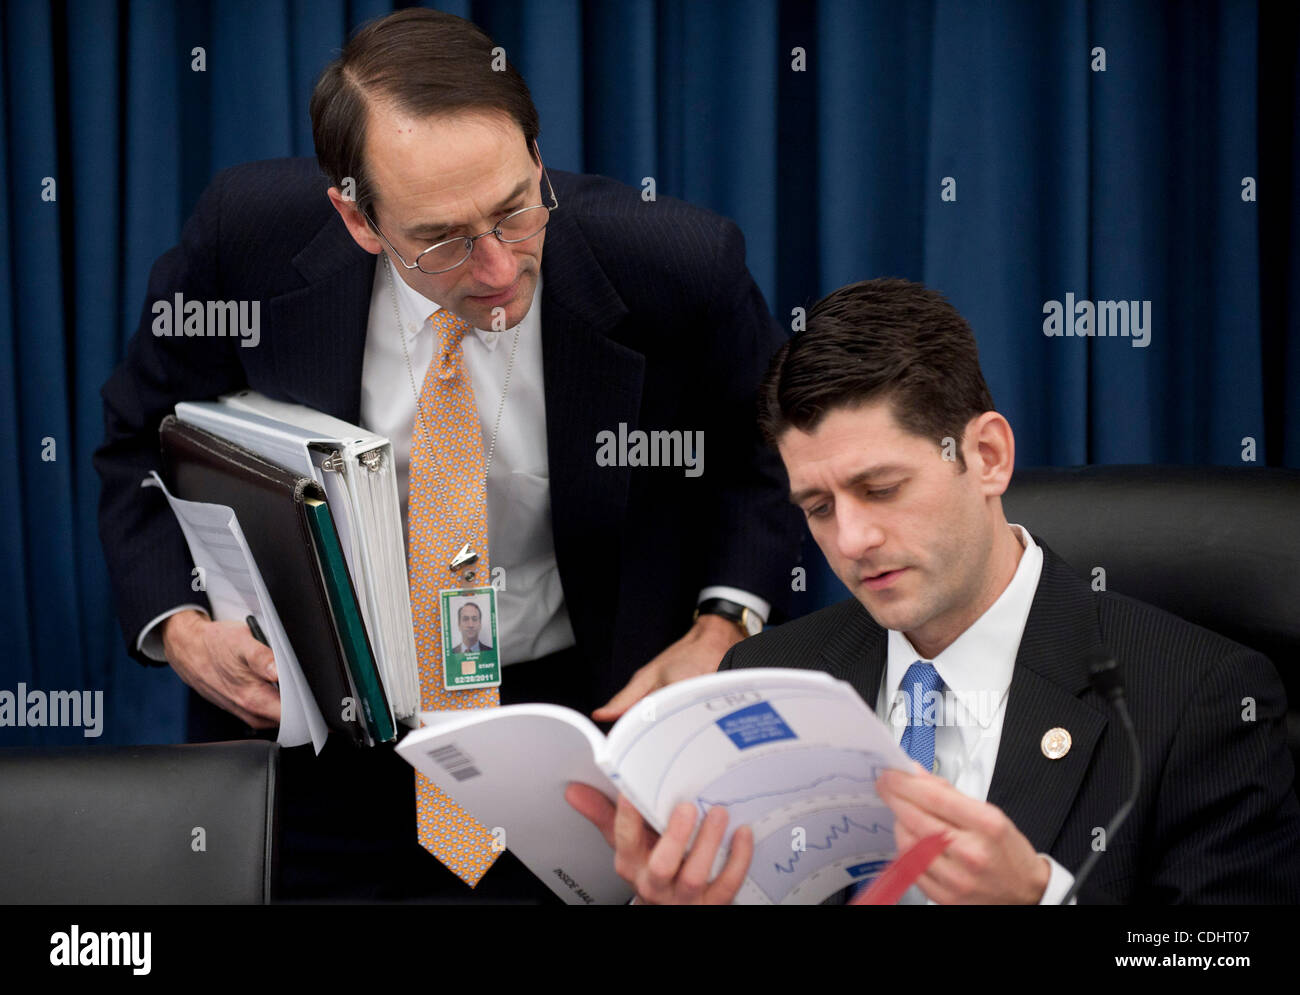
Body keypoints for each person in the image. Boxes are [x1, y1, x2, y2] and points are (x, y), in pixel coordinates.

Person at [93, 8, 801, 901]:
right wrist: (182, 628)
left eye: (516, 209)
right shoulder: (248, 240)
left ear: (538, 157)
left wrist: (723, 626)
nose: (500, 268)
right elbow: (138, 442)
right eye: (441, 239)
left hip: (575, 732)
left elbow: (771, 457)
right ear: (356, 217)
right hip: (317, 735)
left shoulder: (674, 262)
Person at [568, 277, 1300, 904]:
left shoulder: (1200, 695)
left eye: (880, 489)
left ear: (986, 456)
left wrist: (1040, 898)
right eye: (818, 508)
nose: (851, 540)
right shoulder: (767, 678)